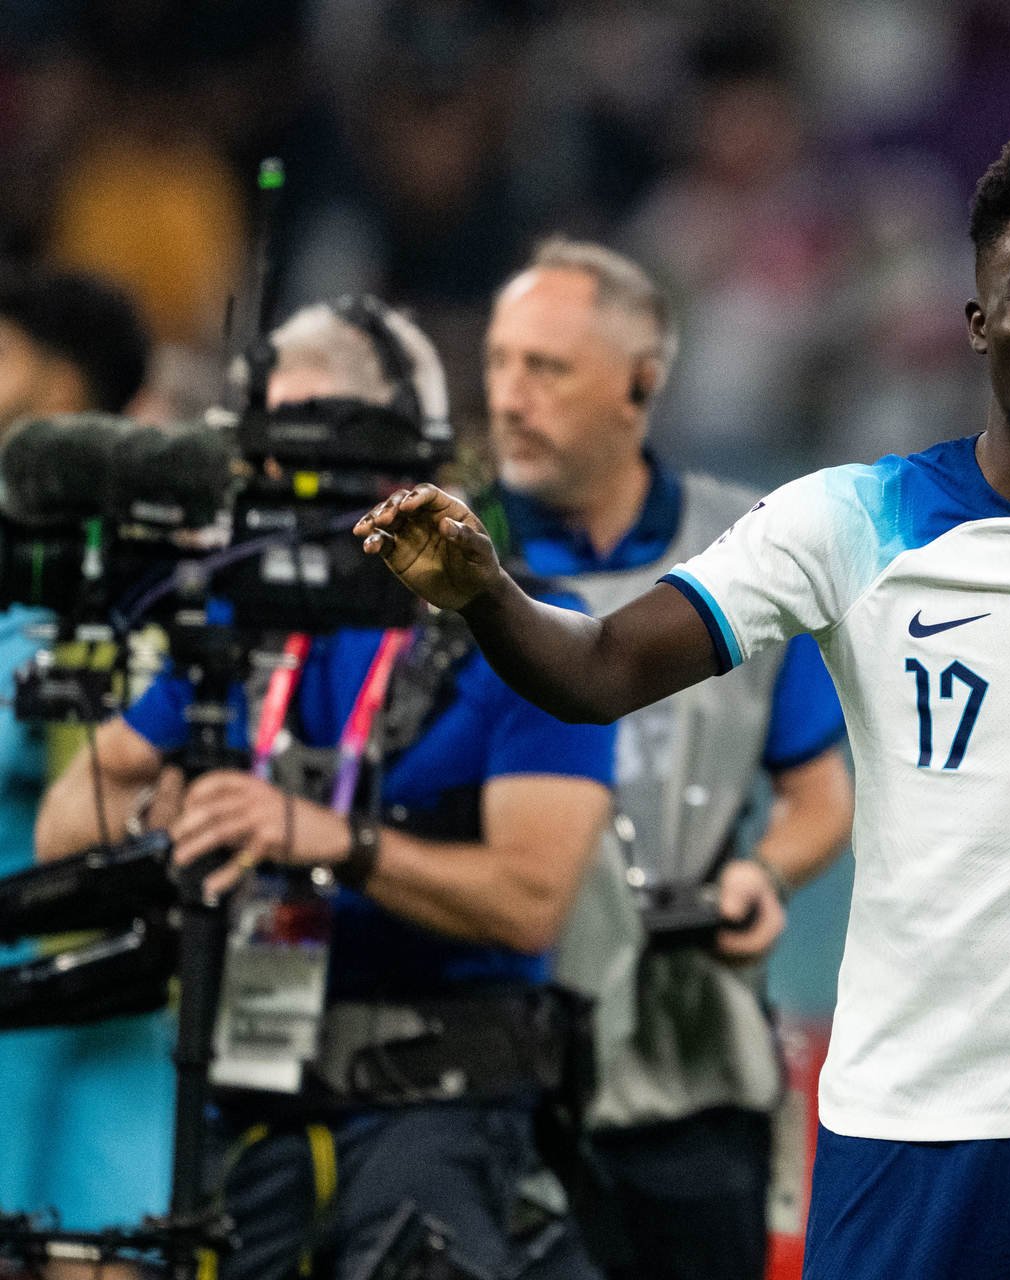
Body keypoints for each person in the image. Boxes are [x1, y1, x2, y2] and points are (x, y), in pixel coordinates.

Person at [359, 135, 1010, 1279]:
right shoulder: (848, 518)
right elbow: (603, 664)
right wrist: (487, 594)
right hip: (908, 1115)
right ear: (975, 320)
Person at [36, 297, 615, 1280]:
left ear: (405, 447)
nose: (279, 470)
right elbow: (64, 827)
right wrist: (161, 813)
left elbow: (530, 900)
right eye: (264, 436)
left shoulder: (524, 627)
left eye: (315, 433)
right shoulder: (240, 614)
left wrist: (334, 838)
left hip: (445, 1101)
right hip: (248, 1094)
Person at [473, 236, 851, 1280]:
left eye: (545, 367)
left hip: (690, 1063)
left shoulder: (743, 549)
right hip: (488, 1066)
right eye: (500, 361)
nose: (509, 396)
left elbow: (820, 796)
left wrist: (762, 873)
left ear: (641, 381)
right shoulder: (451, 553)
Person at [0, 264, 158, 1235]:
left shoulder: (157, 552)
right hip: (23, 965)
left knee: (105, 1250)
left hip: (124, 984)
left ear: (58, 386)